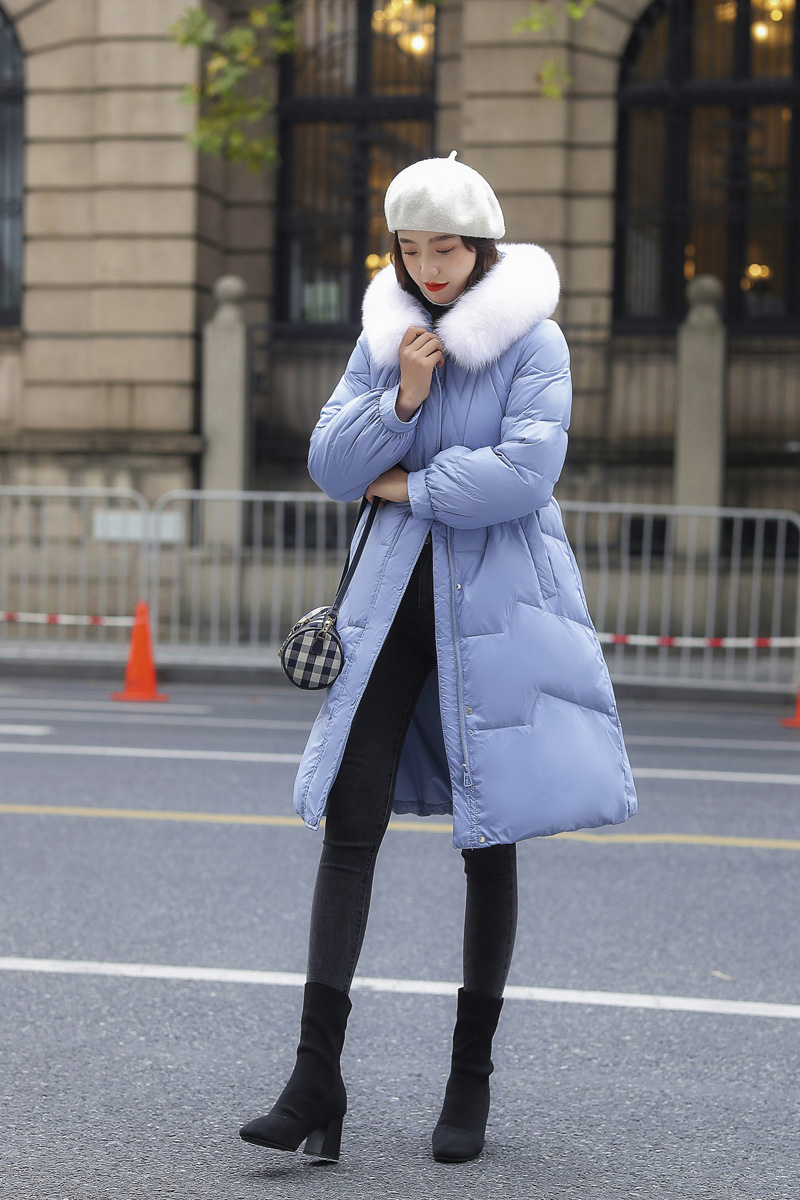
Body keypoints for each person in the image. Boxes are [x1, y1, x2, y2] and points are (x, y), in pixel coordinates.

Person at [239, 151, 637, 1164]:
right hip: (386, 615)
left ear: (482, 247)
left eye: (446, 249)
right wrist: (403, 401)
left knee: (487, 834)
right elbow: (332, 465)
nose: (427, 268)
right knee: (349, 820)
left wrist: (410, 485)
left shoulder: (532, 338)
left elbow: (525, 474)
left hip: (495, 613)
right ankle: (314, 1078)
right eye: (410, 250)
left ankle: (470, 1078)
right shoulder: (388, 337)